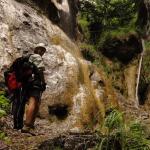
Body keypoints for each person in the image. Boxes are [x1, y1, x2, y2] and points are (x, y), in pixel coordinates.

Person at [4, 43, 46, 134]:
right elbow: (40, 70)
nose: (42, 52)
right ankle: (27, 125)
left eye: (43, 50)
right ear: (37, 50)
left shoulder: (28, 57)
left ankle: (29, 124)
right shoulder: (37, 57)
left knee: (35, 103)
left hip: (26, 84)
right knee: (33, 102)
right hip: (35, 83)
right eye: (41, 49)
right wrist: (43, 82)